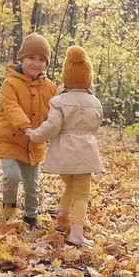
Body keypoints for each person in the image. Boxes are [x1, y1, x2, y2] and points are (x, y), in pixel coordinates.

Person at [25, 45, 103, 245]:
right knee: (82, 194)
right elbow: (96, 126)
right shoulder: (95, 102)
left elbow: (52, 126)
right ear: (88, 76)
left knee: (71, 186)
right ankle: (76, 234)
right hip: (85, 153)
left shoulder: (58, 101)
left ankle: (61, 220)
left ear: (66, 75)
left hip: (64, 154)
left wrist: (35, 135)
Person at [0, 32, 58, 228]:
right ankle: (8, 210)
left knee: (32, 184)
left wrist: (50, 131)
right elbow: (11, 107)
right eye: (31, 58)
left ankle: (31, 218)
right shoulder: (10, 83)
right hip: (10, 139)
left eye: (41, 60)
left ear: (46, 63)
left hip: (35, 142)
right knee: (11, 175)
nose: (35, 63)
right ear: (21, 59)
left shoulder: (51, 88)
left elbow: (55, 113)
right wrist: (26, 127)